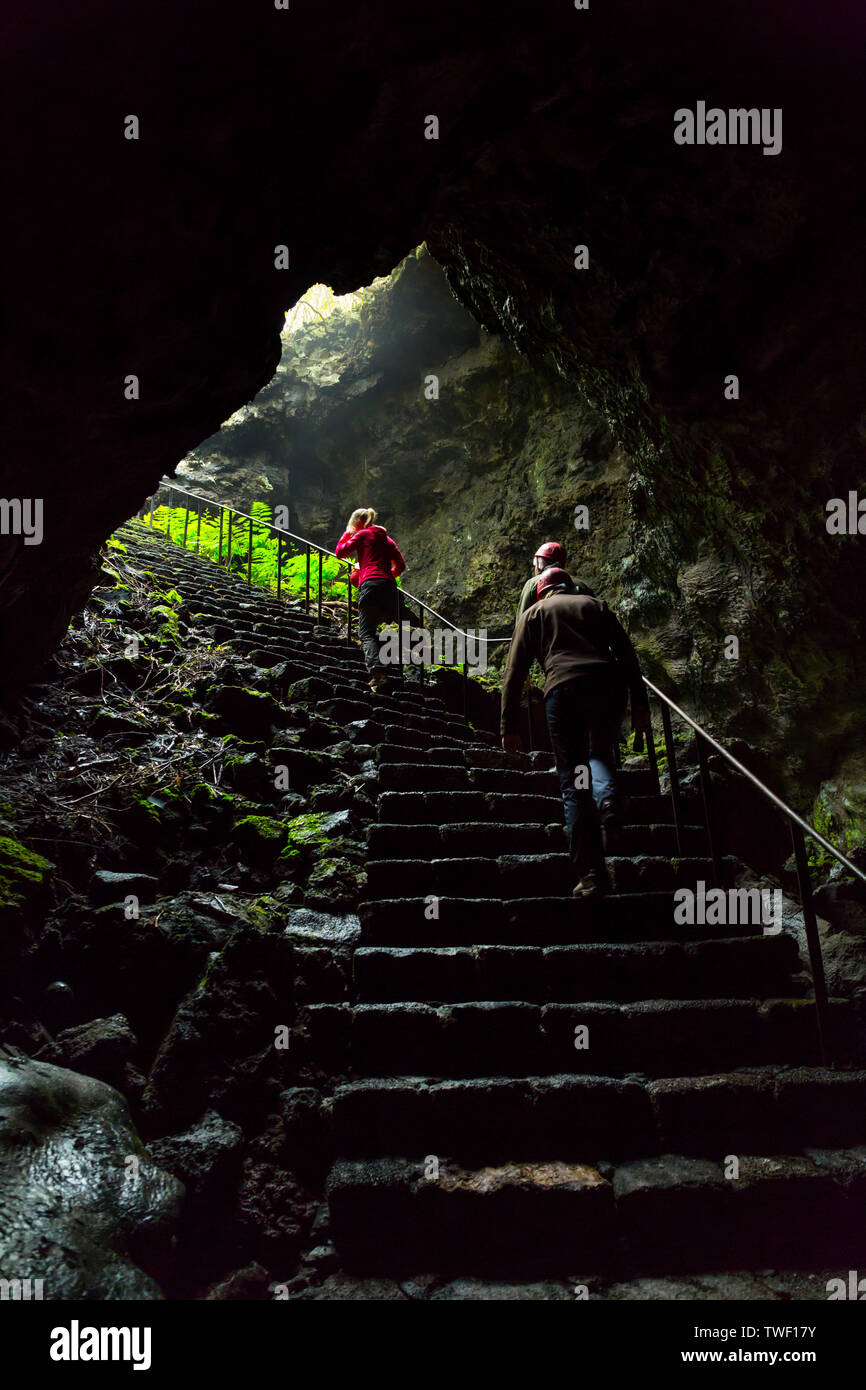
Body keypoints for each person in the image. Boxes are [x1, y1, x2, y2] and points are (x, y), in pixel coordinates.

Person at [501, 566, 651, 899]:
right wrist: (640, 707)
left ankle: (593, 874)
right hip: (605, 690)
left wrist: (509, 727)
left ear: (542, 591)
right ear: (569, 586)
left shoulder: (535, 612)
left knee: (573, 780)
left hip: (564, 692)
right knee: (599, 753)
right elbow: (628, 658)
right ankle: (609, 802)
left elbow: (514, 674)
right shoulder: (595, 605)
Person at [334, 507, 413, 689]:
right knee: (380, 623)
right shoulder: (387, 539)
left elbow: (340, 552)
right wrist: (386, 577)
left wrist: (347, 534)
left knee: (366, 633)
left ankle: (378, 674)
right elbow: (400, 565)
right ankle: (394, 664)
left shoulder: (362, 535)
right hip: (389, 588)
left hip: (371, 585)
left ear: (357, 522)